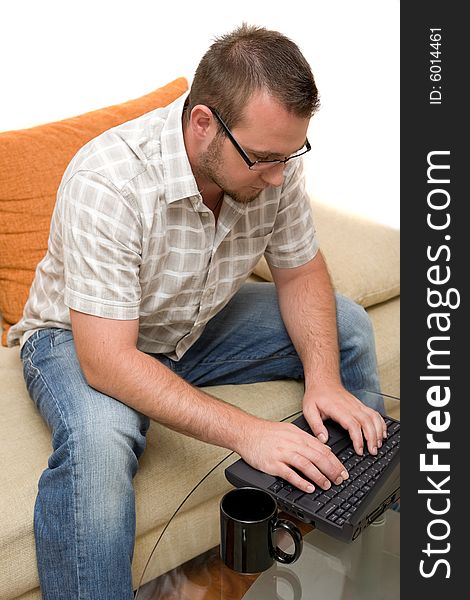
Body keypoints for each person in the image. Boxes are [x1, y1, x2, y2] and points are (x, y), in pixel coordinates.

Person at [7, 23, 386, 600]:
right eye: (263, 159)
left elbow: (301, 270)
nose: (280, 175)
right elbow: (108, 362)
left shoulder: (272, 165)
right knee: (101, 445)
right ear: (203, 122)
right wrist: (251, 434)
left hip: (193, 326)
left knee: (349, 324)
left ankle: (356, 497)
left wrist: (325, 380)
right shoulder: (108, 181)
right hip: (81, 338)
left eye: (290, 155)